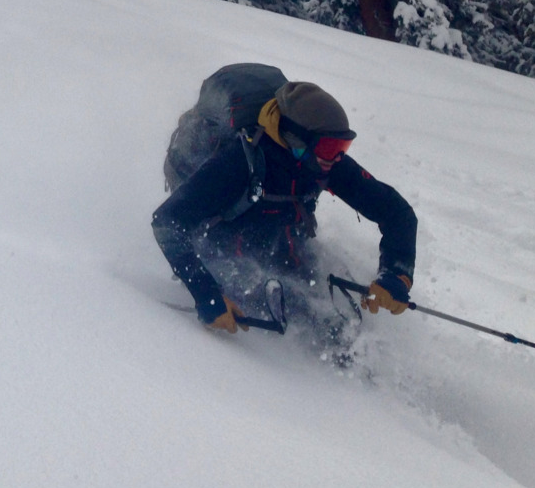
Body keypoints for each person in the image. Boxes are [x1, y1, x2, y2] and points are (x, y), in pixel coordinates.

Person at [152, 81, 417, 334]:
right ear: (296, 139)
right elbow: (167, 222)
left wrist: (396, 275)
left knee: (342, 326)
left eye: (343, 147)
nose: (337, 157)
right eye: (329, 147)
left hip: (287, 251)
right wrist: (206, 294)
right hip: (226, 264)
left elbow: (396, 213)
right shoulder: (238, 162)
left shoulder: (325, 164)